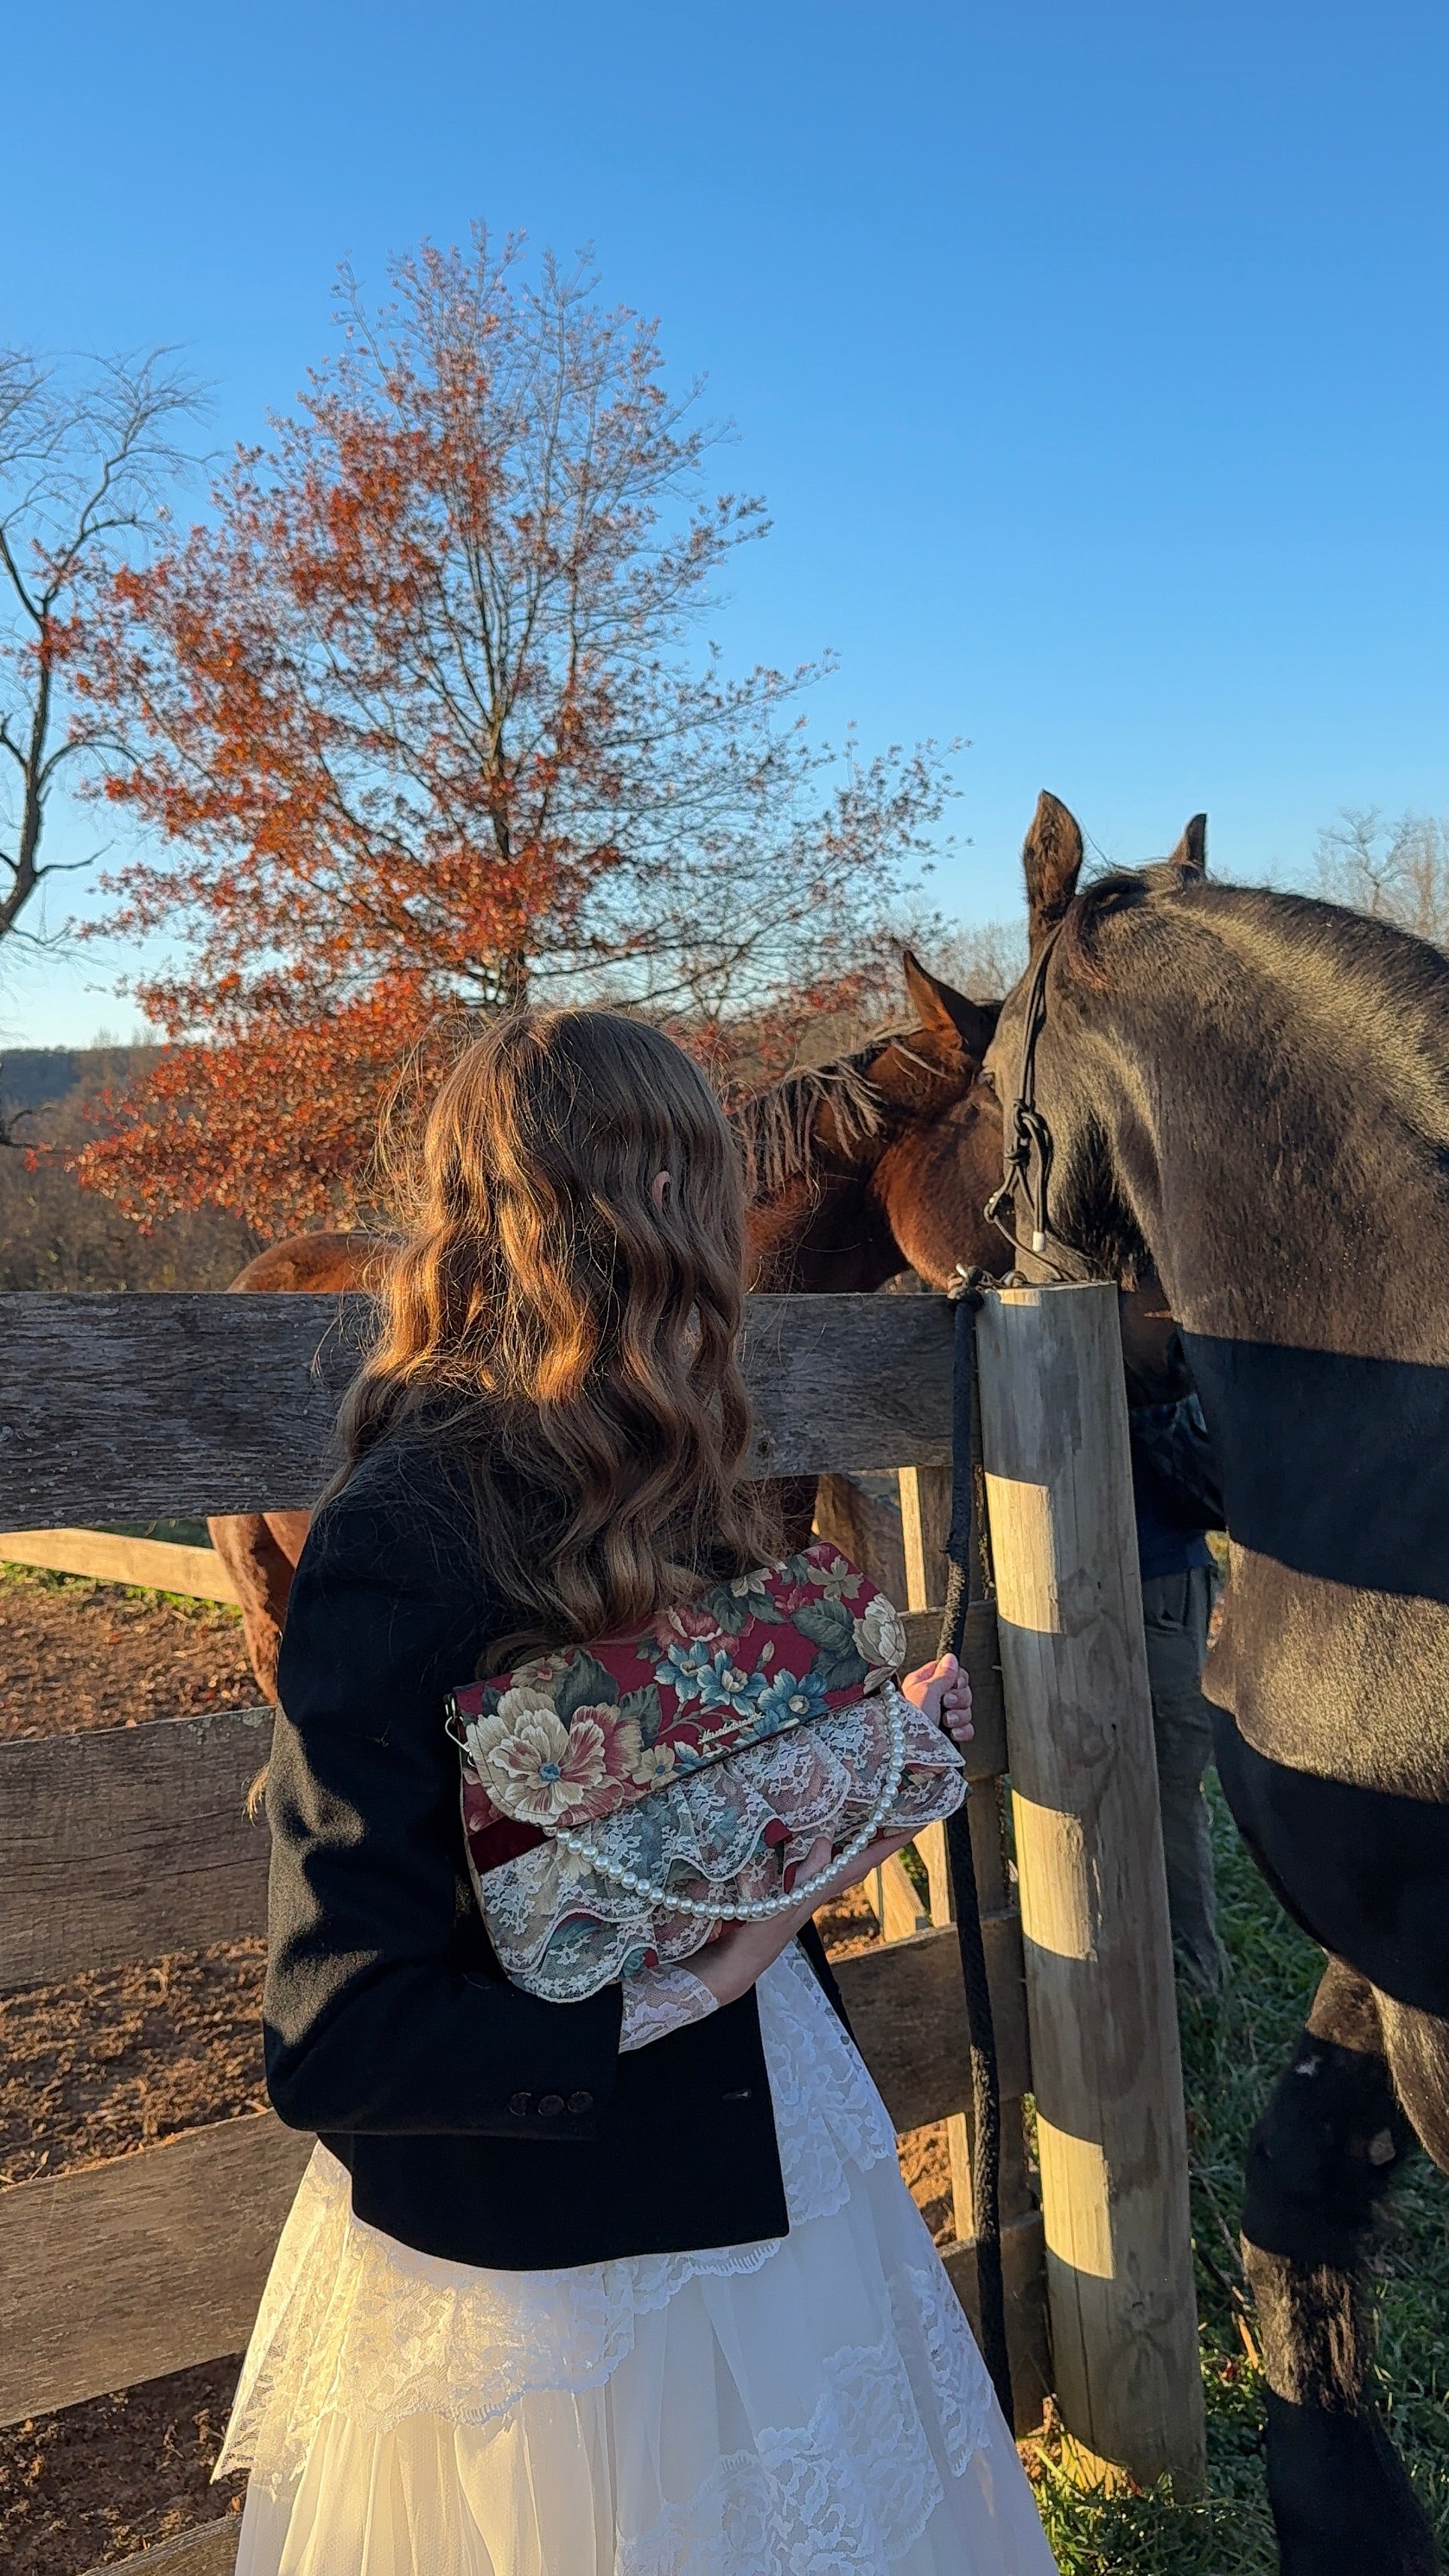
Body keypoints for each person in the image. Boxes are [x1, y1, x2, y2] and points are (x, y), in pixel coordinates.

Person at [217, 1008, 1059, 2576]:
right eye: (700, 1178)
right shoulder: (399, 1533)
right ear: (648, 1200)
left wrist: (864, 1767)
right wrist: (692, 1988)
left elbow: (682, 1830)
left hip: (767, 2149)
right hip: (559, 2286)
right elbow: (335, 2030)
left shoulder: (675, 1470)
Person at [1123, 1286, 1229, 2000]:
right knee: (1160, 1787)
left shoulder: (1136, 1295)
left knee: (1168, 1788)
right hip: (1156, 1568)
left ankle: (1195, 1986)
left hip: (1156, 1573)